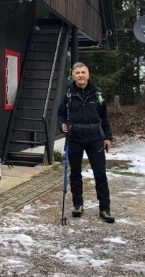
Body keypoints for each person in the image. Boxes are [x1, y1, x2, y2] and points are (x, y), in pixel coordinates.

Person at [57, 62, 115, 223]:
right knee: (75, 172)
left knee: (100, 173)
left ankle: (104, 208)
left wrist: (107, 137)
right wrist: (62, 125)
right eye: (77, 73)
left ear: (88, 75)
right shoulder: (68, 94)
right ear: (73, 76)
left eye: (83, 72)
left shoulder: (97, 94)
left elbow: (105, 117)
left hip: (94, 137)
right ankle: (77, 204)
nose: (81, 75)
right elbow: (60, 114)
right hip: (74, 137)